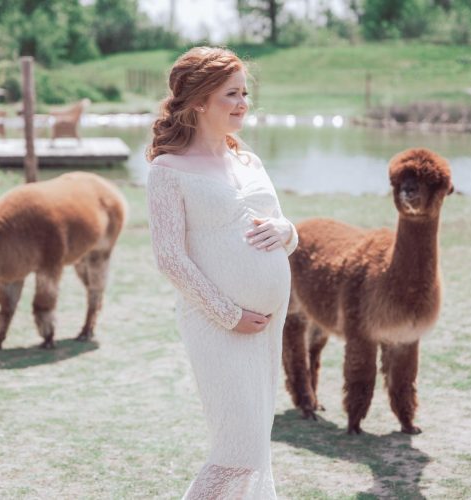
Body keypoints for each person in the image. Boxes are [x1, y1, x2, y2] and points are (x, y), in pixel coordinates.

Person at [146, 46, 298, 499]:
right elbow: (169, 257)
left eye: (244, 92)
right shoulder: (167, 171)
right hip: (217, 324)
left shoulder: (249, 161)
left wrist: (286, 230)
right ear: (198, 101)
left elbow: (285, 230)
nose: (242, 103)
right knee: (239, 452)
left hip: (267, 327)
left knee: (255, 449)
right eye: (231, 94)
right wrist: (229, 314)